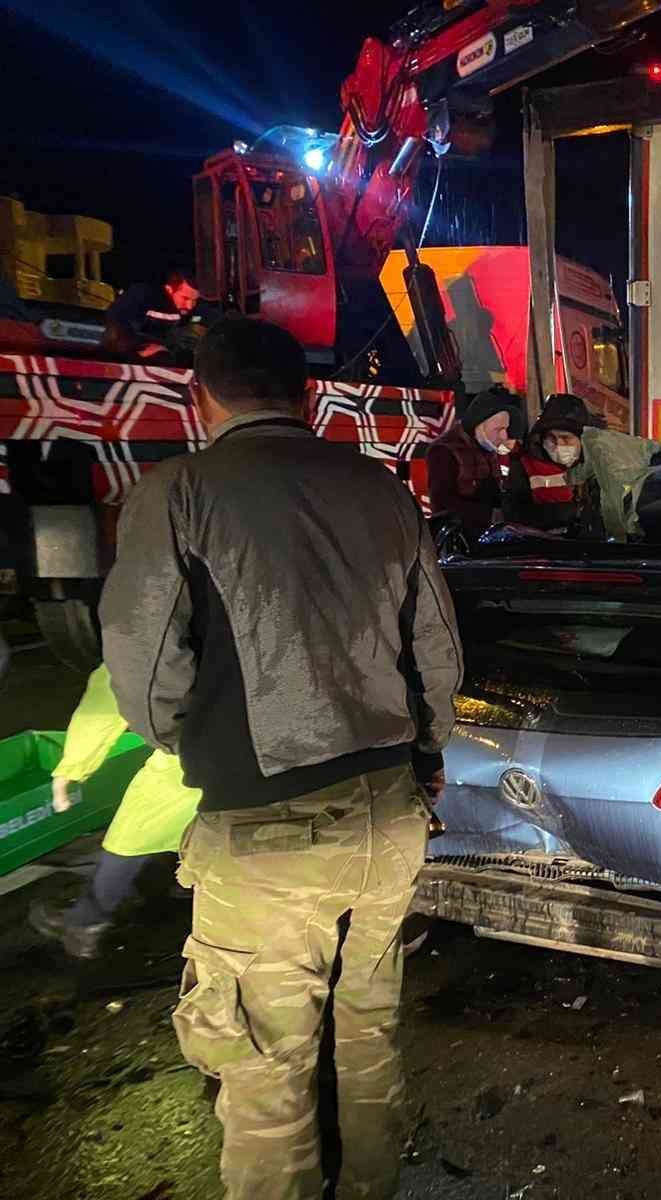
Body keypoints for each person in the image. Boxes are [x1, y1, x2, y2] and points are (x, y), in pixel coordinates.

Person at [99, 317, 463, 1200]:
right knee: (369, 1028)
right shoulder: (380, 491)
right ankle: (371, 1184)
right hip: (388, 816)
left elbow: (144, 670)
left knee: (265, 1064)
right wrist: (425, 751)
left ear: (201, 395)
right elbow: (441, 653)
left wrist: (202, 748)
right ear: (305, 396)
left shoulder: (178, 493)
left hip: (266, 833)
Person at [28, 664, 201, 959]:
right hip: (274, 739)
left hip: (198, 748)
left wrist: (71, 768)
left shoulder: (143, 620)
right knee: (213, 822)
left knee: (133, 831)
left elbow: (113, 690)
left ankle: (85, 923)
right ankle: (186, 881)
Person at [424, 384, 527, 537]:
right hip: (460, 539)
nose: (504, 436)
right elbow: (442, 505)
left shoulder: (487, 447)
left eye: (506, 429)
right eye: (498, 429)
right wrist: (489, 514)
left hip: (490, 533)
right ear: (479, 422)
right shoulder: (445, 451)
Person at [503, 392, 596, 530]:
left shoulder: (597, 466)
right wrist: (568, 513)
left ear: (582, 441)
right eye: (551, 438)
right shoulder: (525, 467)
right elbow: (515, 516)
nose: (557, 444)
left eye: (565, 438)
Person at [101, 268, 202, 362]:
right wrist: (143, 346)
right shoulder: (142, 295)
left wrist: (166, 348)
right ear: (169, 289)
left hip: (163, 359)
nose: (189, 306)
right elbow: (119, 323)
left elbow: (186, 339)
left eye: (194, 300)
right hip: (123, 355)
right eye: (185, 298)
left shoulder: (190, 313)